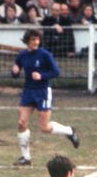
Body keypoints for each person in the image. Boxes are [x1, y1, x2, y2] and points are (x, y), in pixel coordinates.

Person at [11, 29, 79, 166]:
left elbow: (56, 71)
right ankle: (26, 157)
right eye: (32, 40)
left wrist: (41, 76)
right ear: (27, 41)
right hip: (28, 91)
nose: (35, 42)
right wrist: (15, 71)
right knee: (21, 123)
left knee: (45, 128)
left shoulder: (45, 55)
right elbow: (15, 71)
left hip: (42, 91)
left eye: (37, 39)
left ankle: (69, 131)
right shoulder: (22, 55)